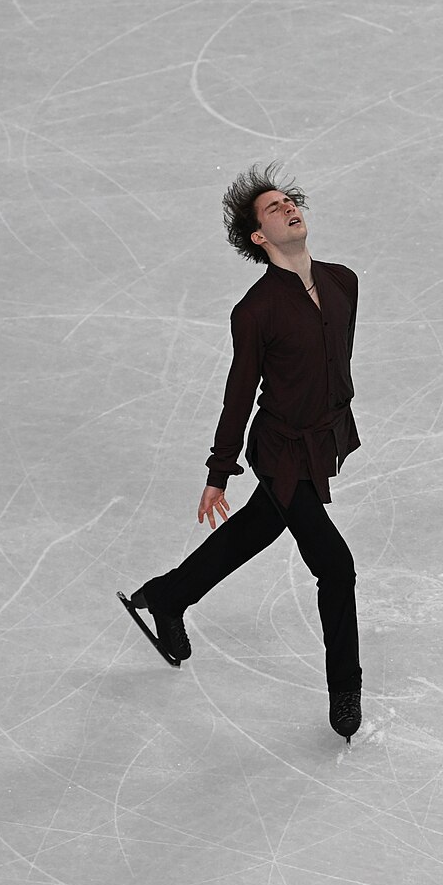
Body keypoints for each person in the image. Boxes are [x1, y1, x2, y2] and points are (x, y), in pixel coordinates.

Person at [118, 163, 364, 742]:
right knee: (336, 565)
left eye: (290, 202)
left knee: (257, 529)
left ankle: (165, 596)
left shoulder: (344, 281)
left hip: (319, 440)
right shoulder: (254, 311)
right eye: (273, 209)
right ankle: (346, 693)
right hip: (279, 450)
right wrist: (219, 470)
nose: (288, 209)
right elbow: (239, 391)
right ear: (259, 237)